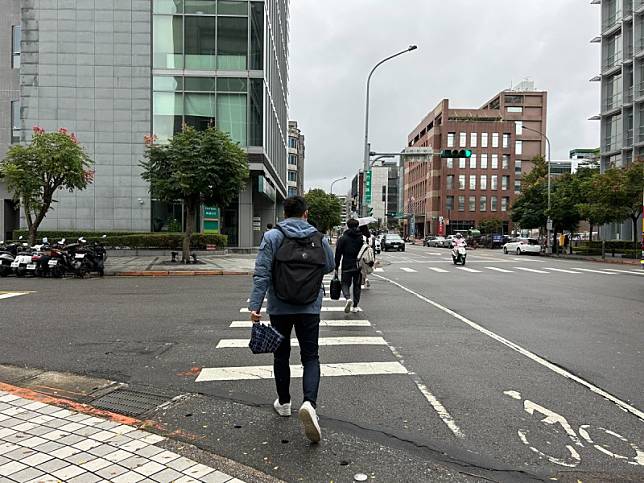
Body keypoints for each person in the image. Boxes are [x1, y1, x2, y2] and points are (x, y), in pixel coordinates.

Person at [248, 196, 334, 443]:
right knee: (311, 357)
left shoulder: (273, 236)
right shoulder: (318, 237)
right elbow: (328, 265)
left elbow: (262, 273)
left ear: (284, 213)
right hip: (310, 307)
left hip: (280, 306)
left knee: (281, 355)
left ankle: (284, 402)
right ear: (305, 213)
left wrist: (255, 306)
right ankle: (309, 403)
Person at [335, 219, 366, 313]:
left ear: (347, 226)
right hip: (358, 265)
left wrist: (336, 266)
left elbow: (338, 253)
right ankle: (355, 306)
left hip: (346, 264)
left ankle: (348, 298)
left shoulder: (343, 238)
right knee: (357, 285)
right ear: (357, 226)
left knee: (345, 283)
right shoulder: (361, 238)